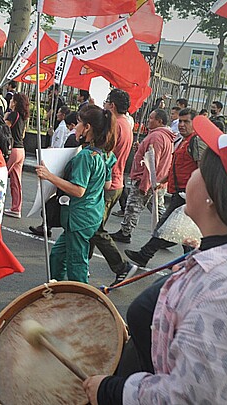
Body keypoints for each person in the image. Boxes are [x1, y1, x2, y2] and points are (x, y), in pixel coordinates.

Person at [84, 116, 227, 405]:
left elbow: (189, 398)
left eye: (201, 170)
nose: (192, 176)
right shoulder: (222, 260)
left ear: (215, 194)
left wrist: (111, 391)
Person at [34, 105, 117, 283]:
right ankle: (58, 289)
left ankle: (81, 299)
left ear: (87, 128)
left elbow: (78, 190)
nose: (75, 126)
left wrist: (49, 176)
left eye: (79, 122)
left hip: (79, 217)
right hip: (92, 214)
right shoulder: (105, 154)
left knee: (76, 263)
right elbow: (108, 184)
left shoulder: (86, 157)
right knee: (57, 255)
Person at [125, 108, 206, 267]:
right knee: (173, 228)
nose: (182, 125)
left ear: (194, 123)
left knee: (171, 227)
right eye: (180, 121)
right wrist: (163, 181)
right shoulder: (183, 141)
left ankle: (148, 255)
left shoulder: (195, 141)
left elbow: (201, 170)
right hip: (179, 191)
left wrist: (195, 193)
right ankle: (187, 262)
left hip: (186, 194)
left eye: (186, 122)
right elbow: (177, 166)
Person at [110, 109, 175, 244]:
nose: (148, 120)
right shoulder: (164, 136)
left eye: (151, 118)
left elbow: (152, 163)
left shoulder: (157, 137)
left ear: (159, 121)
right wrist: (140, 149)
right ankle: (168, 232)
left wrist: (144, 185)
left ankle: (126, 232)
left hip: (148, 180)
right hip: (158, 181)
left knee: (133, 207)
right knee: (157, 209)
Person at [91, 89, 135, 285]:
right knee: (91, 228)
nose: (105, 104)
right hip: (116, 182)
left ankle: (121, 266)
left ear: (113, 106)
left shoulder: (115, 126)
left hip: (108, 183)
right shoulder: (126, 124)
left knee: (94, 228)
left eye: (107, 101)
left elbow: (105, 151)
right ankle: (83, 263)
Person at [29, 111, 80, 238]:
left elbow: (79, 190)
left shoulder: (82, 152)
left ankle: (50, 225)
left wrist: (50, 176)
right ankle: (46, 226)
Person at [4, 92, 30, 218]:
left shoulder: (12, 115)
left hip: (12, 149)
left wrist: (5, 117)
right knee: (16, 181)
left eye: (12, 100)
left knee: (1, 177)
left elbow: (4, 129)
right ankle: (16, 208)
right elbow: (23, 135)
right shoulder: (23, 118)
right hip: (21, 150)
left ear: (14, 102)